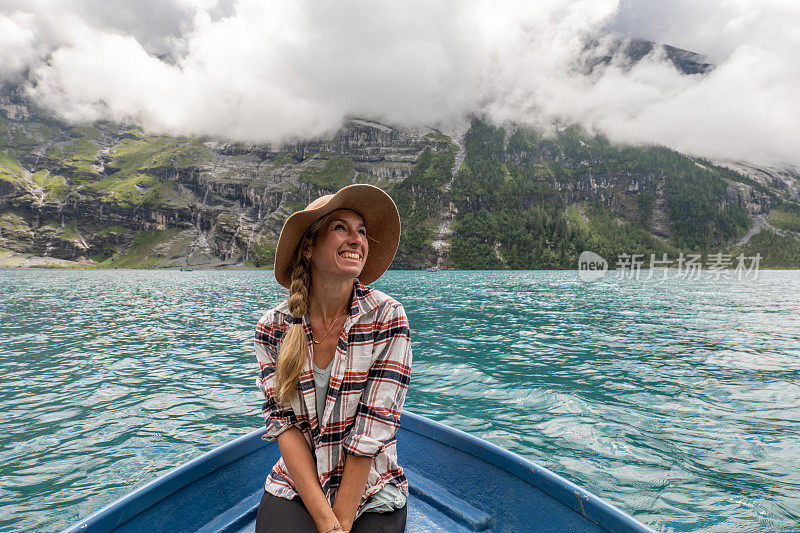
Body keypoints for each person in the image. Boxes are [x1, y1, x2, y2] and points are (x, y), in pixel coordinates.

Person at [254, 184, 411, 533]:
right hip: (300, 484)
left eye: (362, 232)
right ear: (308, 246)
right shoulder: (273, 328)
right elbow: (285, 426)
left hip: (370, 485)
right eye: (341, 227)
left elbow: (371, 430)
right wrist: (327, 523)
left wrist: (338, 523)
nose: (357, 239)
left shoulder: (387, 317)